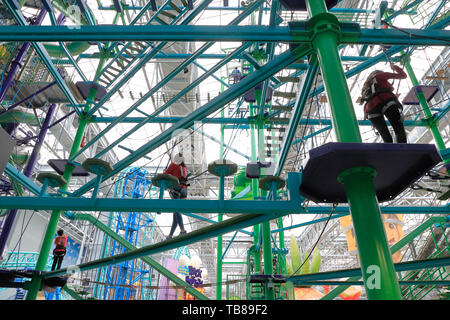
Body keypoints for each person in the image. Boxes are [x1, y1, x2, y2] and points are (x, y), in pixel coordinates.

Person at [360, 63, 408, 143]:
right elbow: (403, 75)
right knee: (399, 130)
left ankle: (389, 154)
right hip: (386, 102)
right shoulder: (379, 75)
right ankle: (402, 151)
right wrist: (395, 67)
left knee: (386, 138)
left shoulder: (365, 86)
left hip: (371, 111)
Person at [163, 153, 188, 239]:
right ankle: (170, 235)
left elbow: (164, 174)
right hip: (184, 191)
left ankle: (182, 230)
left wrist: (165, 171)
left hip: (175, 190)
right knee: (176, 212)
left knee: (176, 210)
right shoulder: (185, 168)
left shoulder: (173, 165)